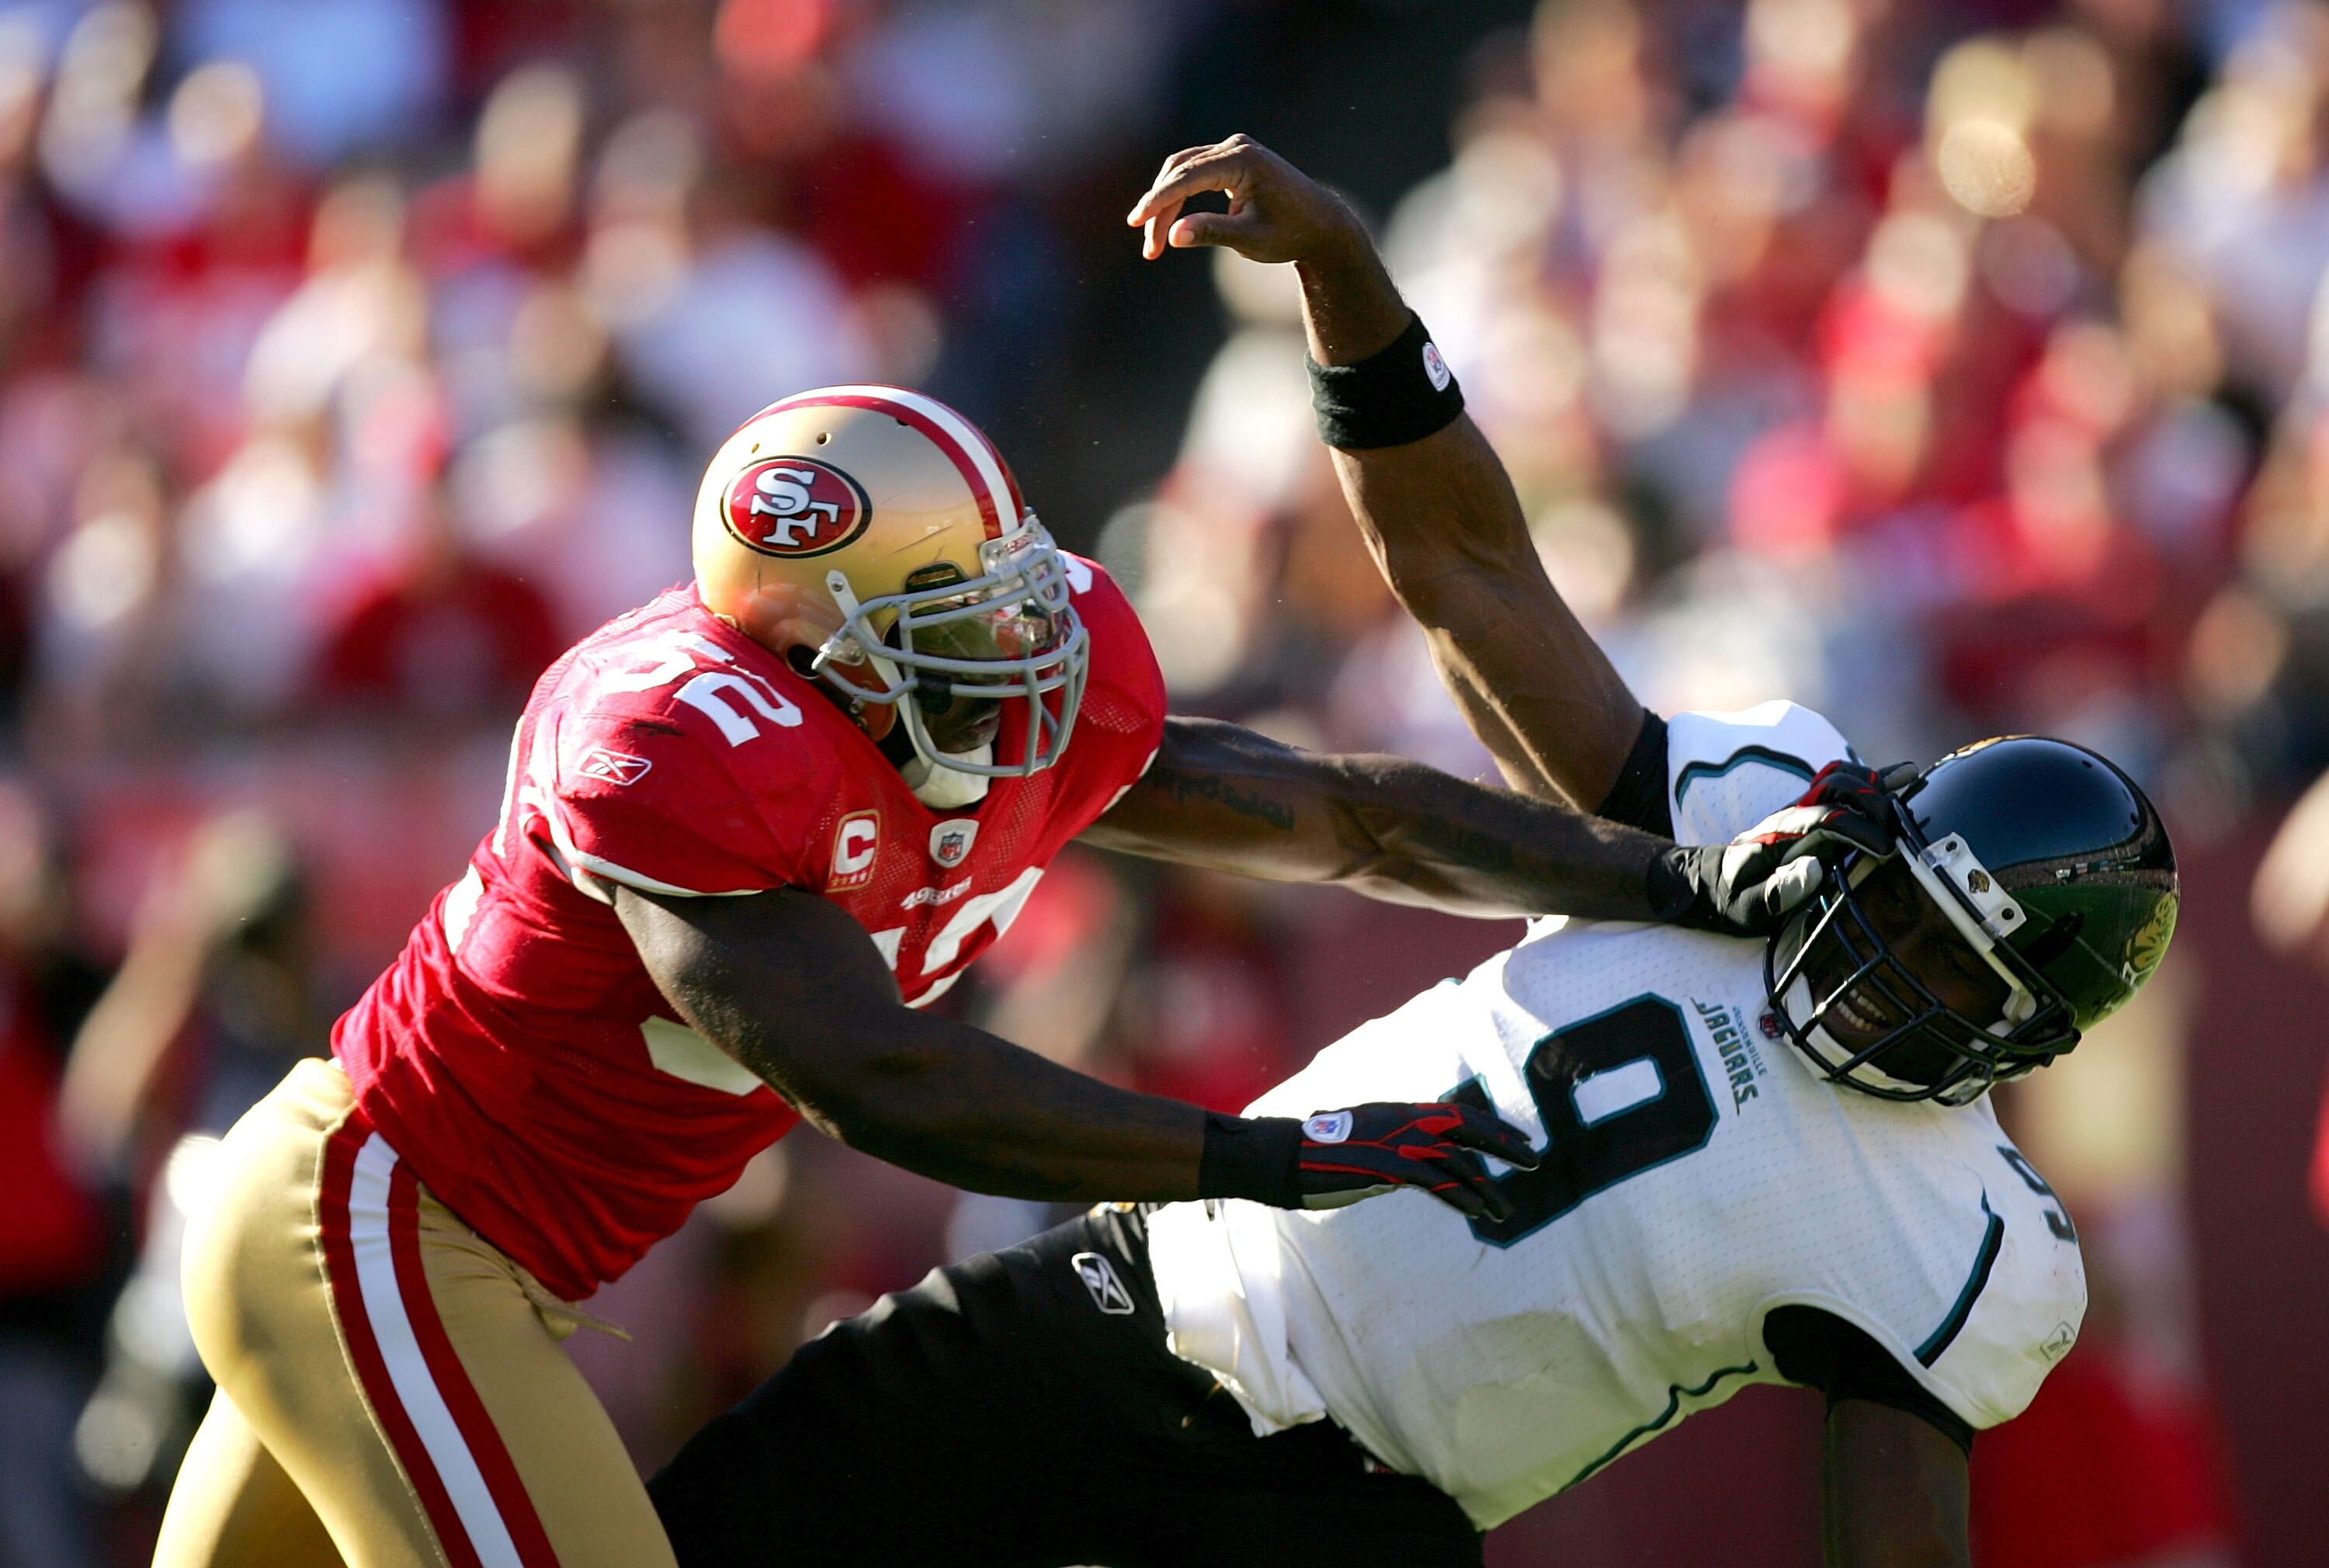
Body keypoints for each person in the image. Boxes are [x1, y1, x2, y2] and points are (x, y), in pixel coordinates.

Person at [644, 140, 2182, 1568]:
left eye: (1943, 972)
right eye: (1902, 909)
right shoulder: (1756, 821)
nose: (1881, 962)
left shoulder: (1963, 1232)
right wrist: (1348, 280)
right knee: (713, 1515)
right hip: (1162, 1293)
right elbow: (1468, 577)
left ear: (2023, 1038)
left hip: (1357, 1506)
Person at [153, 380, 1830, 1568]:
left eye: (1019, 592)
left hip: (490, 1256)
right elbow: (877, 1073)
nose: (1026, 645)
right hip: (380, 1220)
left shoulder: (1018, 702)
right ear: (807, 643)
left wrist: (1679, 876)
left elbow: (1342, 818)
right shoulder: (684, 744)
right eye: (955, 614)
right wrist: (1263, 1160)